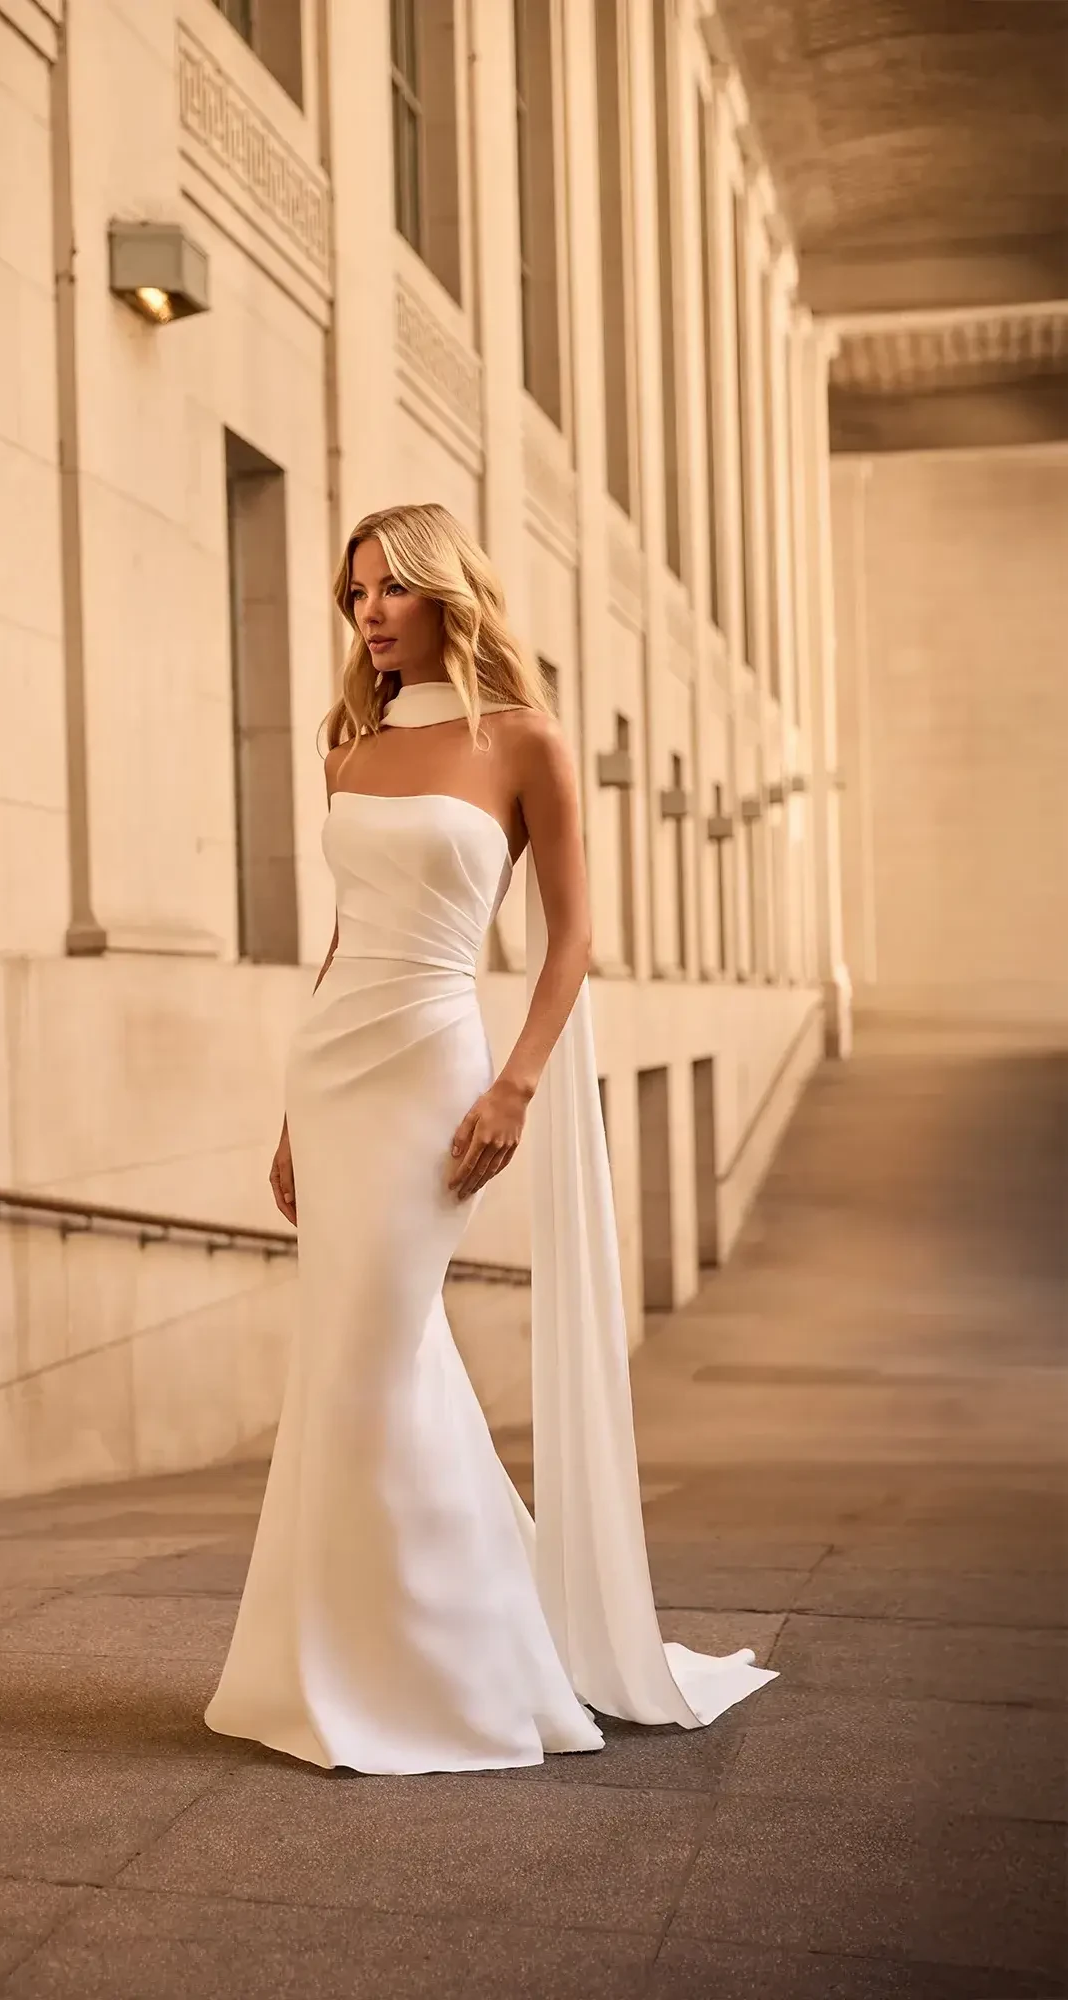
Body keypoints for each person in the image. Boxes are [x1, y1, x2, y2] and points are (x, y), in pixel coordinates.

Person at [204, 502, 776, 1774]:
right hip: (335, 1069)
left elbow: (572, 938)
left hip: (434, 1066)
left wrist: (515, 1082)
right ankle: (353, 1660)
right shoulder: (347, 749)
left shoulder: (524, 739)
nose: (367, 613)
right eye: (354, 594)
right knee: (358, 1364)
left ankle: (434, 1674)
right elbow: (343, 939)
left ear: (444, 595)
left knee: (373, 1356)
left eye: (388, 588)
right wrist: (289, 1113)